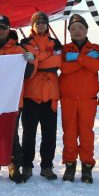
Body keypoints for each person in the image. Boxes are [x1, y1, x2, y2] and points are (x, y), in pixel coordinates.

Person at [0, 14, 36, 184]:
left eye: (4, 27)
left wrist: (30, 61)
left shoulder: (19, 50)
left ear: (9, 29)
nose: (1, 30)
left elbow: (28, 74)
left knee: (11, 135)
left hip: (12, 101)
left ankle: (14, 166)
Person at [58, 14, 99, 183]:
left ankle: (87, 167)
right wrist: (84, 61)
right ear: (69, 31)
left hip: (88, 99)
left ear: (86, 30)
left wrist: (77, 59)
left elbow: (95, 66)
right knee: (69, 133)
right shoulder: (64, 49)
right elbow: (64, 68)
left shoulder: (96, 48)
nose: (77, 31)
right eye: (73, 29)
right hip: (68, 99)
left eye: (80, 28)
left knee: (86, 134)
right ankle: (70, 165)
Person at [18, 11, 63, 181]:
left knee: (49, 134)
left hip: (50, 96)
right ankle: (27, 166)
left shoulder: (56, 43)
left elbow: (56, 63)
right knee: (29, 134)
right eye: (37, 22)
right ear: (33, 25)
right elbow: (26, 63)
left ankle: (47, 166)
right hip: (31, 95)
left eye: (44, 22)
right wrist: (46, 57)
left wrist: (36, 59)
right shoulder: (25, 42)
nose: (41, 24)